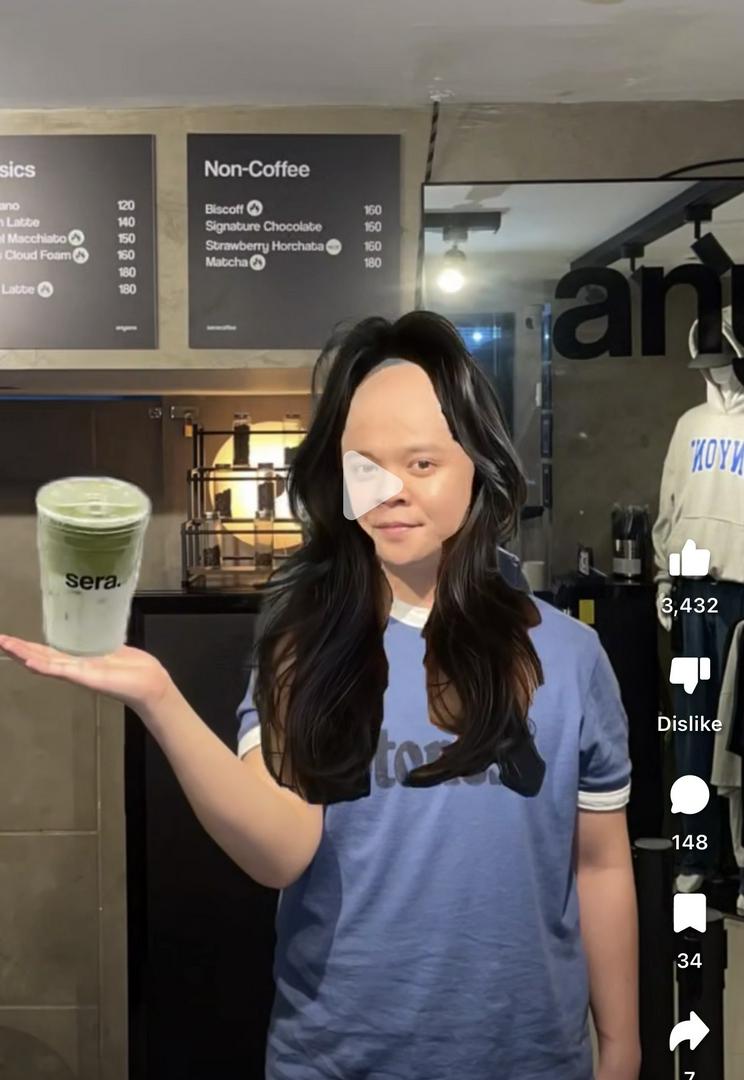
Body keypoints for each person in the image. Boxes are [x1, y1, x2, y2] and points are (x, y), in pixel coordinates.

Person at [0, 309, 641, 1080]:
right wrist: (159, 699)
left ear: (478, 463)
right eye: (364, 466)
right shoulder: (305, 646)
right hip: (340, 1059)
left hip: (533, 1060)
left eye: (422, 463)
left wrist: (622, 1047)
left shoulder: (569, 655)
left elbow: (600, 865)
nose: (390, 492)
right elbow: (282, 850)